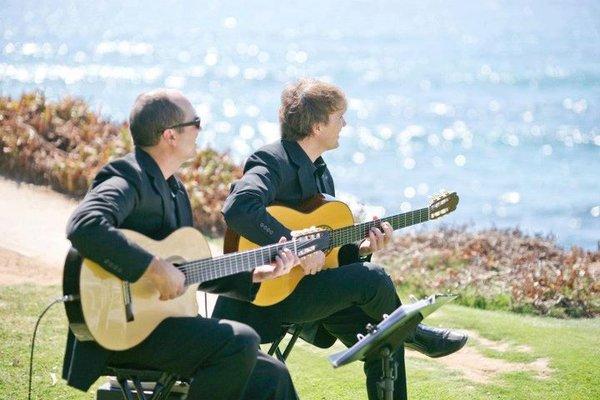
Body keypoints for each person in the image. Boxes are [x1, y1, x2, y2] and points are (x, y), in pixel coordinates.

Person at [213, 79, 468, 400]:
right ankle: (414, 332)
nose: (344, 124)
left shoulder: (320, 172)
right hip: (265, 295)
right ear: (318, 126)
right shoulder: (271, 161)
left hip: (308, 292)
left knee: (384, 337)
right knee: (373, 281)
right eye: (339, 117)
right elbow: (239, 208)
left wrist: (360, 249)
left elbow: (331, 257)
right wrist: (296, 245)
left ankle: (403, 336)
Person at [63, 89, 299, 400]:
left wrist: (255, 273)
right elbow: (84, 225)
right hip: (122, 330)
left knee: (273, 375)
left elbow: (186, 271)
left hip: (163, 323)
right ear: (170, 136)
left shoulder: (174, 187)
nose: (201, 130)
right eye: (195, 122)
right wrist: (152, 268)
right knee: (240, 340)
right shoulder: (128, 176)